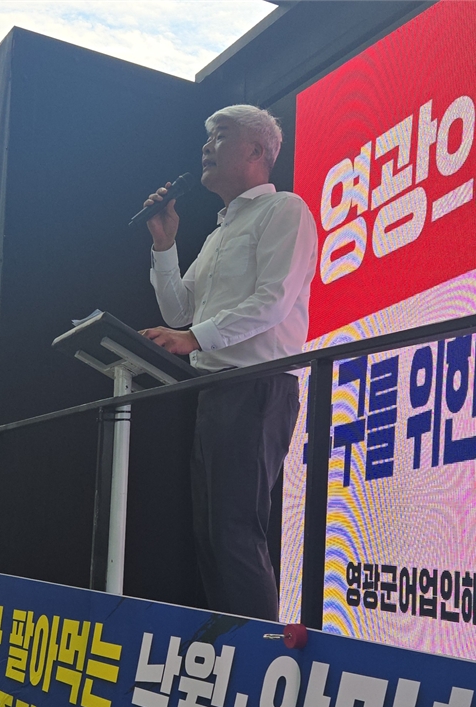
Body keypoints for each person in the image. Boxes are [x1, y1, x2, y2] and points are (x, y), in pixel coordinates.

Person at [140, 104, 317, 621]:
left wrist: (193, 338)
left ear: (257, 150)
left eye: (219, 136)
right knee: (211, 533)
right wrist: (165, 245)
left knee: (237, 529)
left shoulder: (285, 210)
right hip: (213, 388)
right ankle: (228, 641)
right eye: (207, 137)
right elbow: (179, 311)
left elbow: (273, 301)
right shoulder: (218, 233)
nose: (206, 146)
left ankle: (256, 650)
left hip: (259, 386)